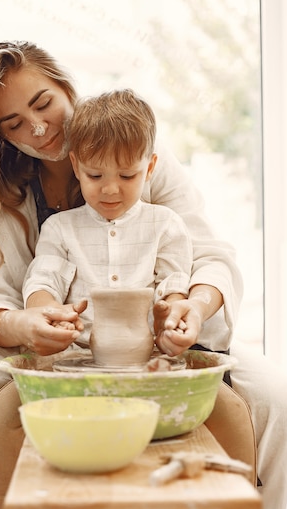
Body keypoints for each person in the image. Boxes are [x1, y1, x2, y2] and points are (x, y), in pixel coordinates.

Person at [0, 40, 287, 509]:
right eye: (14, 124)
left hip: (165, 337)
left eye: (42, 104)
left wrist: (192, 308)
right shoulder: (5, 188)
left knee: (279, 399)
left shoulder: (139, 154)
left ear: (65, 86)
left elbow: (208, 256)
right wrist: (27, 324)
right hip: (47, 342)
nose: (37, 129)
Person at [23, 88, 193, 348]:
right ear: (77, 167)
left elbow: (173, 288)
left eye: (126, 176)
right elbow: (43, 282)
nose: (111, 189)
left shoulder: (166, 225)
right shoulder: (59, 229)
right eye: (95, 176)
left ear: (149, 168)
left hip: (147, 356)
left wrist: (170, 322)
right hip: (76, 357)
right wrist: (51, 314)